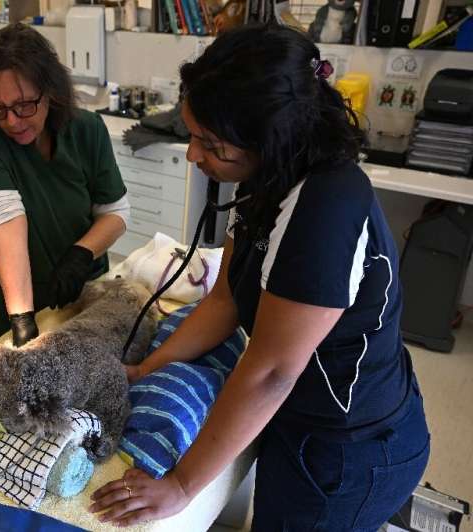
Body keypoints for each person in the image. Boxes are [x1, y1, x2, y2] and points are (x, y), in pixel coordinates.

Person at [90, 24, 430, 530]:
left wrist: (181, 485)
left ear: (269, 137)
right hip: (303, 419)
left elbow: (273, 372)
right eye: (193, 135)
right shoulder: (265, 179)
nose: (192, 155)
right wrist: (148, 369)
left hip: (349, 448)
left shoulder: (324, 209)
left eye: (210, 142)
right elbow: (225, 299)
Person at [0, 23, 129, 346]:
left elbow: (116, 212)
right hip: (10, 298)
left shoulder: (87, 129)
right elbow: (3, 216)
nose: (11, 120)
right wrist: (22, 317)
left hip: (81, 289)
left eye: (24, 105)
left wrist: (82, 253)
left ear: (50, 91)